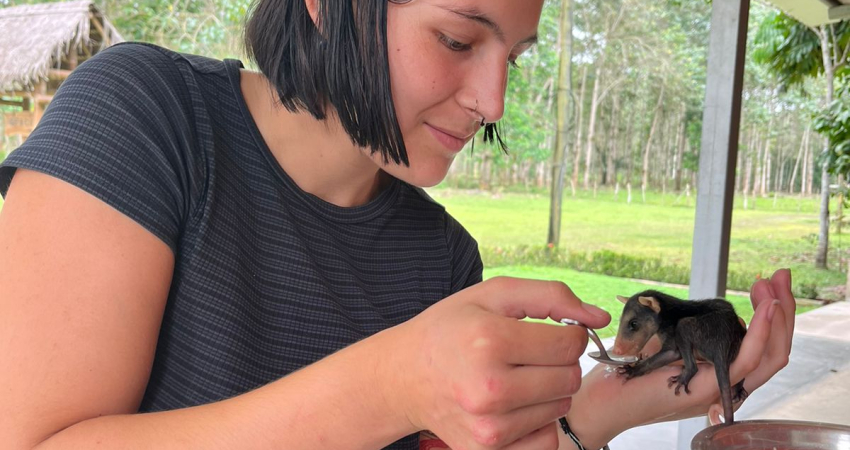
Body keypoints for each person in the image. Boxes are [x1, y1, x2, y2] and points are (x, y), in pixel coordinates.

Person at [0, 0, 795, 449]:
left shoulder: (442, 260)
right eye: (457, 38)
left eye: (513, 57)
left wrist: (605, 407)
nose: (493, 103)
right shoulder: (143, 118)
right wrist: (390, 384)